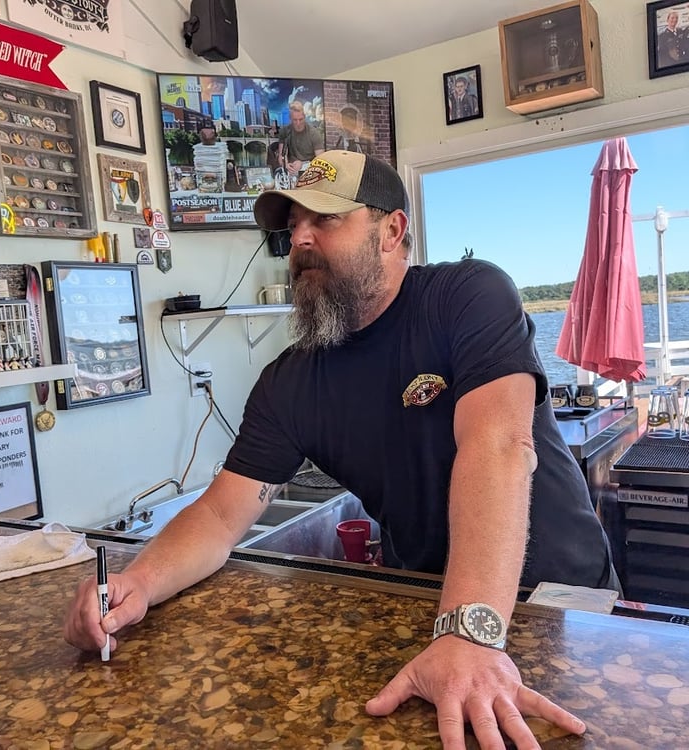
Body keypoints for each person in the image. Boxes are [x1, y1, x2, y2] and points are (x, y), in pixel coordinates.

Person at [65, 150, 619, 749]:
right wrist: (139, 583)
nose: (300, 238)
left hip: (559, 604)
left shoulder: (467, 295)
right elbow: (221, 516)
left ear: (392, 231)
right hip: (432, 614)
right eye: (293, 223)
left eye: (325, 220)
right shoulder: (291, 383)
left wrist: (470, 631)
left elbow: (499, 447)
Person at [277, 101, 324, 186]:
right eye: (295, 120)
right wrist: (286, 165)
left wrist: (303, 164)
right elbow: (281, 156)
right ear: (290, 119)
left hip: (309, 172)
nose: (298, 123)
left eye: (301, 119)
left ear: (304, 117)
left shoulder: (314, 133)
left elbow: (321, 161)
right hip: (290, 173)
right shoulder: (285, 132)